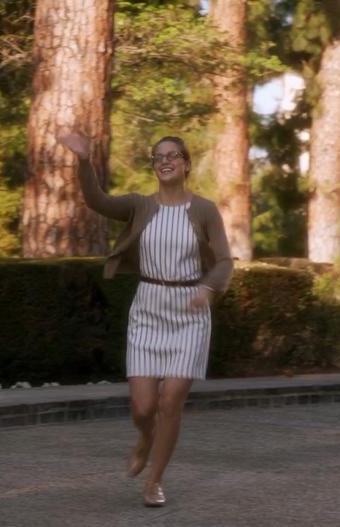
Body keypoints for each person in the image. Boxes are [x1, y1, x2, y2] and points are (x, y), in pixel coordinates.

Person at [59, 132, 233, 507]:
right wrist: (85, 160)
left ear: (186, 164)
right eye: (158, 157)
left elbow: (224, 261)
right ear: (154, 166)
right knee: (143, 408)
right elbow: (96, 200)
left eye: (173, 155)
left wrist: (208, 289)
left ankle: (154, 481)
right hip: (148, 309)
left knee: (170, 401)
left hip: (190, 312)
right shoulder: (140, 205)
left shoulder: (204, 210)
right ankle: (145, 436)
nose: (165, 161)